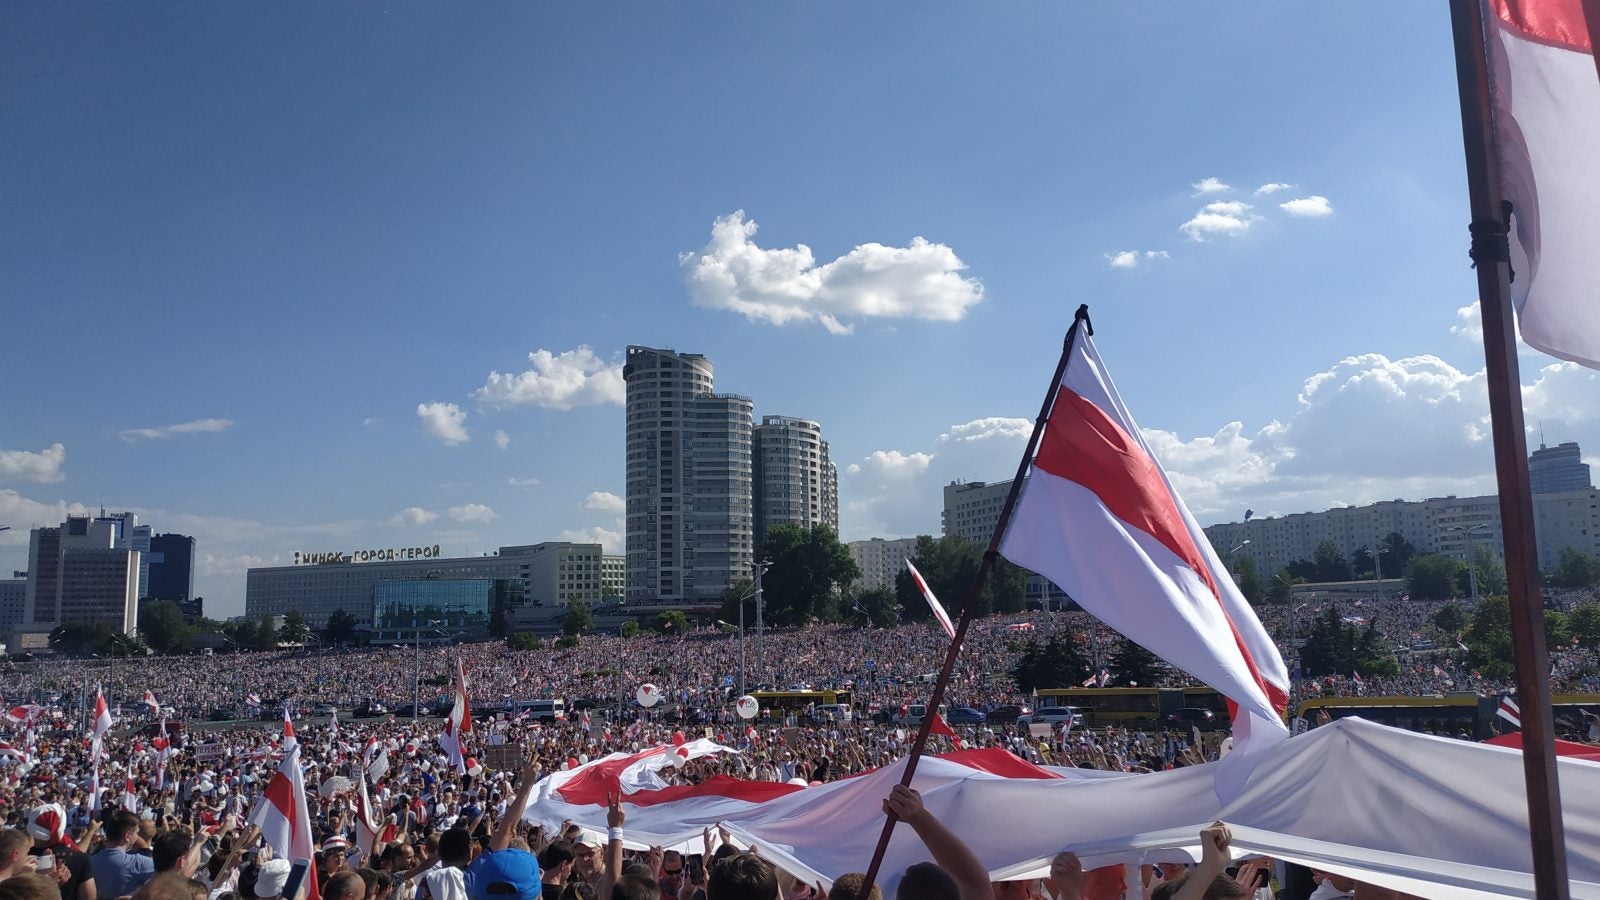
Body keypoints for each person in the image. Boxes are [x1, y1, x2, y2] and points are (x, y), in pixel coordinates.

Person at [90, 812, 156, 899]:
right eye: (137, 833)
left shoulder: (91, 861)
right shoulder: (138, 863)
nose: (137, 837)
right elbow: (170, 874)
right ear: (127, 836)